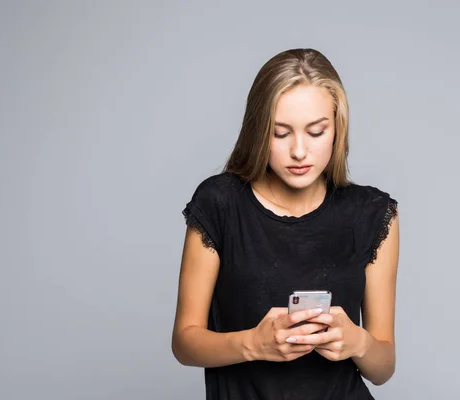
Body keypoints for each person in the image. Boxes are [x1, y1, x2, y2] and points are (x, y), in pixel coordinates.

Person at [171, 48, 399, 400]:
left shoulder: (371, 212)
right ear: (258, 131)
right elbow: (185, 342)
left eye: (316, 132)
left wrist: (358, 341)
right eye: (280, 133)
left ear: (338, 128)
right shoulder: (219, 203)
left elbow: (383, 368)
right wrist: (253, 344)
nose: (299, 151)